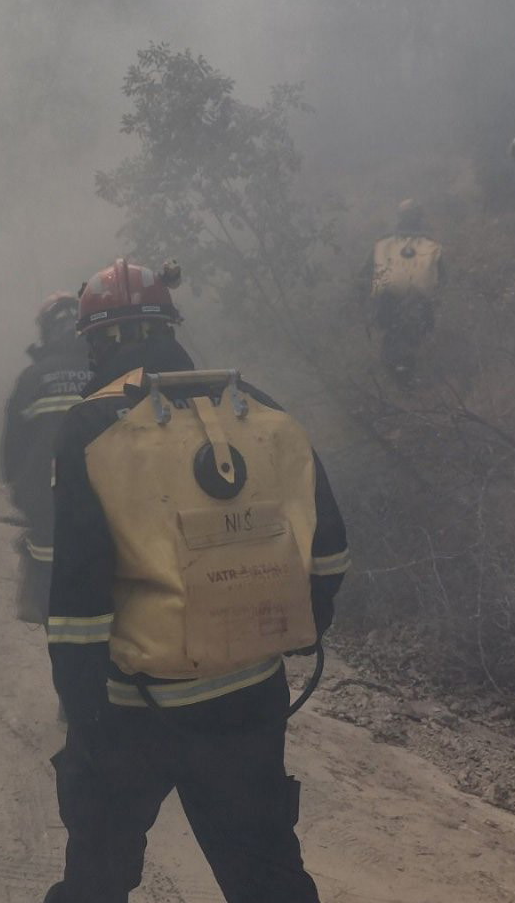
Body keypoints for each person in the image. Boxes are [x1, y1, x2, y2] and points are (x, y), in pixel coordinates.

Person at [44, 258, 350, 903]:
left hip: (134, 710)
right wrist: (296, 626)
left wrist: (84, 711)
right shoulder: (259, 409)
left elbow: (78, 594)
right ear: (170, 327)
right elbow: (329, 549)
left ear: (97, 339)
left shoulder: (92, 427)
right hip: (249, 697)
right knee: (268, 874)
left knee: (98, 875)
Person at [0, 293, 92, 624]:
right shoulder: (107, 370)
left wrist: (19, 489)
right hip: (103, 493)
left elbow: (13, 446)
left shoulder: (32, 378)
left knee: (45, 556)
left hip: (45, 497)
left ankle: (43, 605)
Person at [367, 198, 444, 388]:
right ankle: (412, 386)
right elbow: (442, 278)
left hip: (388, 304)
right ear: (420, 218)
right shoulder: (431, 245)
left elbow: (366, 273)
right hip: (418, 305)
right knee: (415, 343)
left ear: (399, 218)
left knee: (392, 341)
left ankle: (401, 385)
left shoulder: (383, 244)